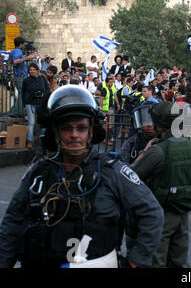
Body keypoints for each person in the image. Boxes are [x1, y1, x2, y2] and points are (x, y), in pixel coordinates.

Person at [0, 86, 164, 268]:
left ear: (91, 131)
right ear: (55, 131)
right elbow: (11, 224)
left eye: (81, 128)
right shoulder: (37, 174)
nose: (74, 134)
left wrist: (135, 261)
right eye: (66, 128)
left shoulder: (112, 171)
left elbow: (151, 213)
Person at [130, 102, 191, 268]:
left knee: (156, 262)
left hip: (159, 214)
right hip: (182, 213)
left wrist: (143, 153)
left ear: (160, 124)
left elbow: (131, 176)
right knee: (179, 261)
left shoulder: (157, 150)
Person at [22, 62, 51, 148]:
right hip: (30, 103)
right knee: (31, 122)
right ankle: (29, 141)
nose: (32, 71)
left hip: (41, 103)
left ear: (37, 70)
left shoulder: (42, 78)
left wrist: (43, 95)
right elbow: (23, 93)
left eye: (34, 69)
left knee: (42, 122)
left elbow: (47, 90)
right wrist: (24, 105)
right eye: (30, 70)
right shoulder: (26, 80)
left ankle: (43, 143)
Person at [10, 37, 35, 117]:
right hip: (20, 76)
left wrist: (25, 57)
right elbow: (15, 61)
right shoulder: (17, 51)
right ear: (21, 44)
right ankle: (16, 111)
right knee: (22, 94)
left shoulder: (16, 51)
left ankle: (17, 111)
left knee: (22, 93)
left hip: (20, 75)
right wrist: (27, 58)